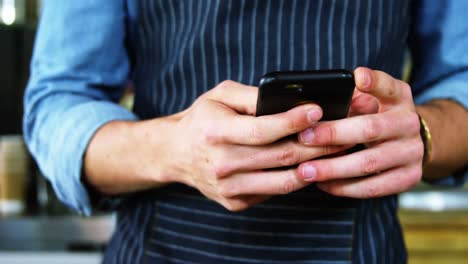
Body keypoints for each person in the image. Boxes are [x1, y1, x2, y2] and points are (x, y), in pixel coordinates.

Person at [23, 0, 468, 263]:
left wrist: (424, 134)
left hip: (360, 249)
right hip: (164, 249)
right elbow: (57, 103)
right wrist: (175, 149)